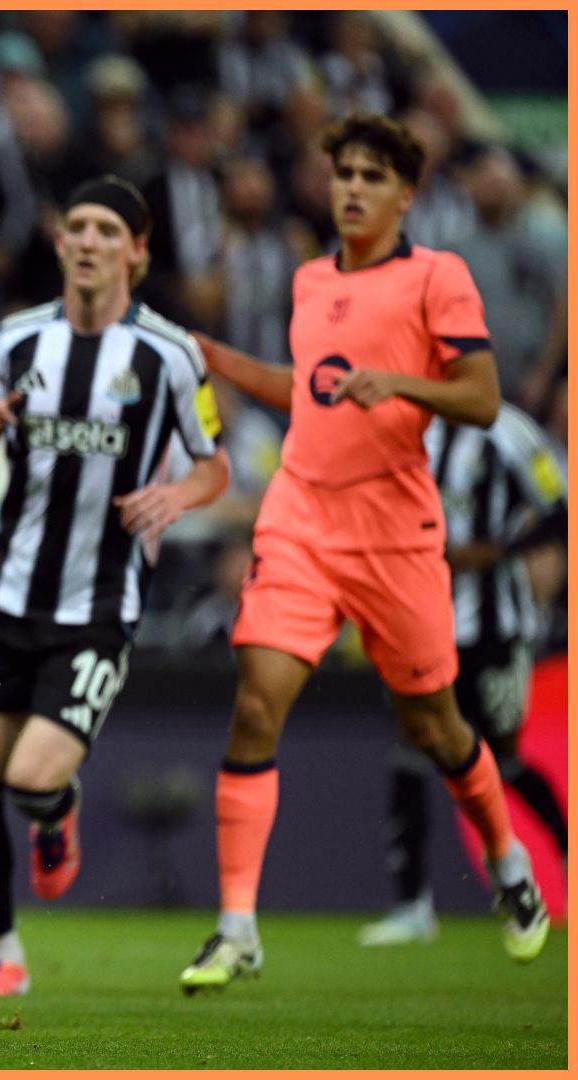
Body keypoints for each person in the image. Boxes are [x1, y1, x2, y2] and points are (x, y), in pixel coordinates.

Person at [178, 113, 550, 993]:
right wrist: (220, 359)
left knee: (436, 726)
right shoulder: (312, 281)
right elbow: (310, 397)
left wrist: (403, 382)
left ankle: (508, 868)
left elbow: (484, 398)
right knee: (259, 703)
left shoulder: (438, 276)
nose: (351, 188)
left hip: (396, 535)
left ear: (405, 194)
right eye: (343, 172)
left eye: (372, 176)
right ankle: (237, 928)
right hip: (303, 519)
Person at [0, 176, 230, 999]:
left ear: (138, 250)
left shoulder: (170, 354)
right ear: (61, 241)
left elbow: (214, 465)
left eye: (110, 228)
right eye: (78, 226)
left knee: (31, 779)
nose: (91, 240)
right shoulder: (17, 339)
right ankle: (3, 953)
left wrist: (177, 495)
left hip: (99, 604)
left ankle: (55, 810)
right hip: (3, 593)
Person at [359, 402, 568, 945]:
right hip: (423, 621)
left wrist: (501, 551)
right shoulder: (409, 428)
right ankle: (411, 904)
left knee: (505, 759)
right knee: (410, 749)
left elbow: (562, 506)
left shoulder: (509, 431)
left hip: (495, 626)